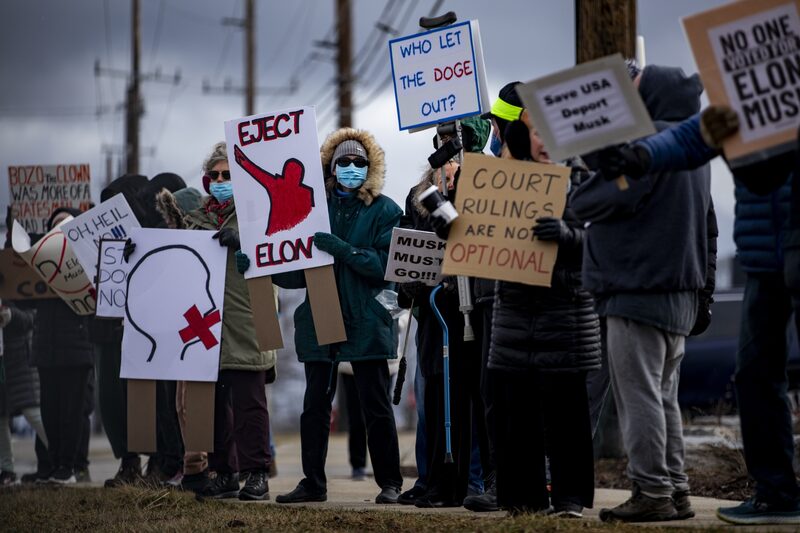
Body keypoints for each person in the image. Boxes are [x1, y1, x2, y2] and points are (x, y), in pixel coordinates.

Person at [595, 108, 800, 525]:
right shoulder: (742, 94)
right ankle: (775, 492)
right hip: (763, 259)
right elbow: (693, 136)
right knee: (755, 374)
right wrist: (640, 156)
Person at [571, 64, 717, 523]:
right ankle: (675, 491)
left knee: (639, 398)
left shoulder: (647, 146)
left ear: (651, 95)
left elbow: (590, 202)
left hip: (638, 288)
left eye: (635, 90)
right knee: (663, 396)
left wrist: (583, 174)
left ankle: (651, 492)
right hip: (679, 292)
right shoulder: (691, 149)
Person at [257, 128, 403, 504]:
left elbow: (386, 265)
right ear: (330, 167)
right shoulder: (310, 209)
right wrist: (261, 266)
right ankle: (313, 483)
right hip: (321, 317)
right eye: (344, 162)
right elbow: (296, 271)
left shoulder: (386, 211)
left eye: (359, 163)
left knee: (375, 405)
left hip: (368, 321)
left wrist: (344, 250)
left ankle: (390, 482)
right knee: (315, 406)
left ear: (369, 168)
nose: (351, 168)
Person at [486, 114, 601, 517]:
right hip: (515, 317)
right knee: (515, 416)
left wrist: (567, 237)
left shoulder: (586, 182)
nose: (545, 140)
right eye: (538, 131)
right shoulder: (501, 183)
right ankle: (522, 500)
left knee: (567, 416)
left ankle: (569, 499)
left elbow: (604, 241)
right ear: (525, 137)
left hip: (565, 318)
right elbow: (476, 236)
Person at [397, 117, 489, 509]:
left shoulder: (485, 187)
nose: (447, 146)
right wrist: (409, 286)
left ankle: (471, 479)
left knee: (469, 395)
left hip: (468, 306)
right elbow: (410, 246)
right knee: (433, 392)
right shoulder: (421, 192)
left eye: (456, 139)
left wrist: (457, 193)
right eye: (443, 138)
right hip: (431, 308)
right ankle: (435, 477)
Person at [179, 142, 276, 501]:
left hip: (248, 318)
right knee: (213, 406)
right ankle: (224, 472)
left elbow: (278, 255)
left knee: (250, 403)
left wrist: (244, 245)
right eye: (215, 176)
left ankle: (256, 473)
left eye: (228, 175)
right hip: (205, 324)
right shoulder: (195, 220)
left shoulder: (258, 213)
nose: (221, 181)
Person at [98, 173, 186, 488]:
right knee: (141, 401)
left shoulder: (171, 228)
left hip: (173, 333)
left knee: (170, 400)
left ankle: (172, 464)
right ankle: (149, 462)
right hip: (130, 333)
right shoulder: (128, 241)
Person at [30, 207, 95, 484]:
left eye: (66, 224)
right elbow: (25, 298)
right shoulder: (40, 264)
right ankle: (54, 464)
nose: (60, 228)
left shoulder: (86, 260)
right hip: (46, 350)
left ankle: (68, 466)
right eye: (55, 224)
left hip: (77, 349)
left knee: (72, 412)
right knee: (50, 411)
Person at [0, 300, 49, 485]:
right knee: (1, 417)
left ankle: (64, 462)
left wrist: (10, 314)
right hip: (8, 358)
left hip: (19, 359)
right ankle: (6, 469)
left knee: (32, 412)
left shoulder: (19, 284)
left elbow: (32, 317)